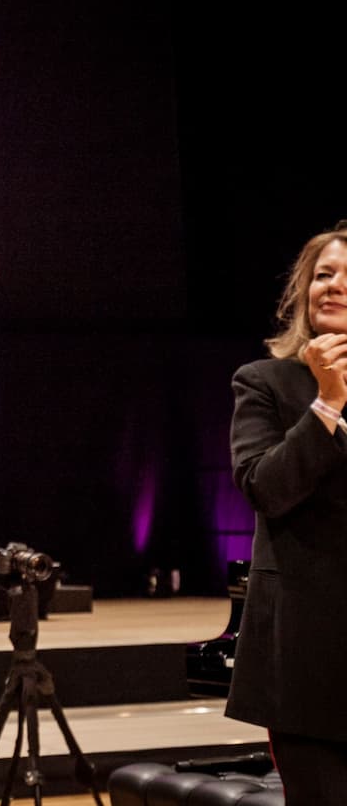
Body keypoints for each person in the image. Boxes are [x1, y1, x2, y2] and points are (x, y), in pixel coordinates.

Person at [227, 222, 347, 801]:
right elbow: (264, 487)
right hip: (306, 657)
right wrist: (326, 402)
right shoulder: (265, 382)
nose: (334, 286)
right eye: (323, 275)